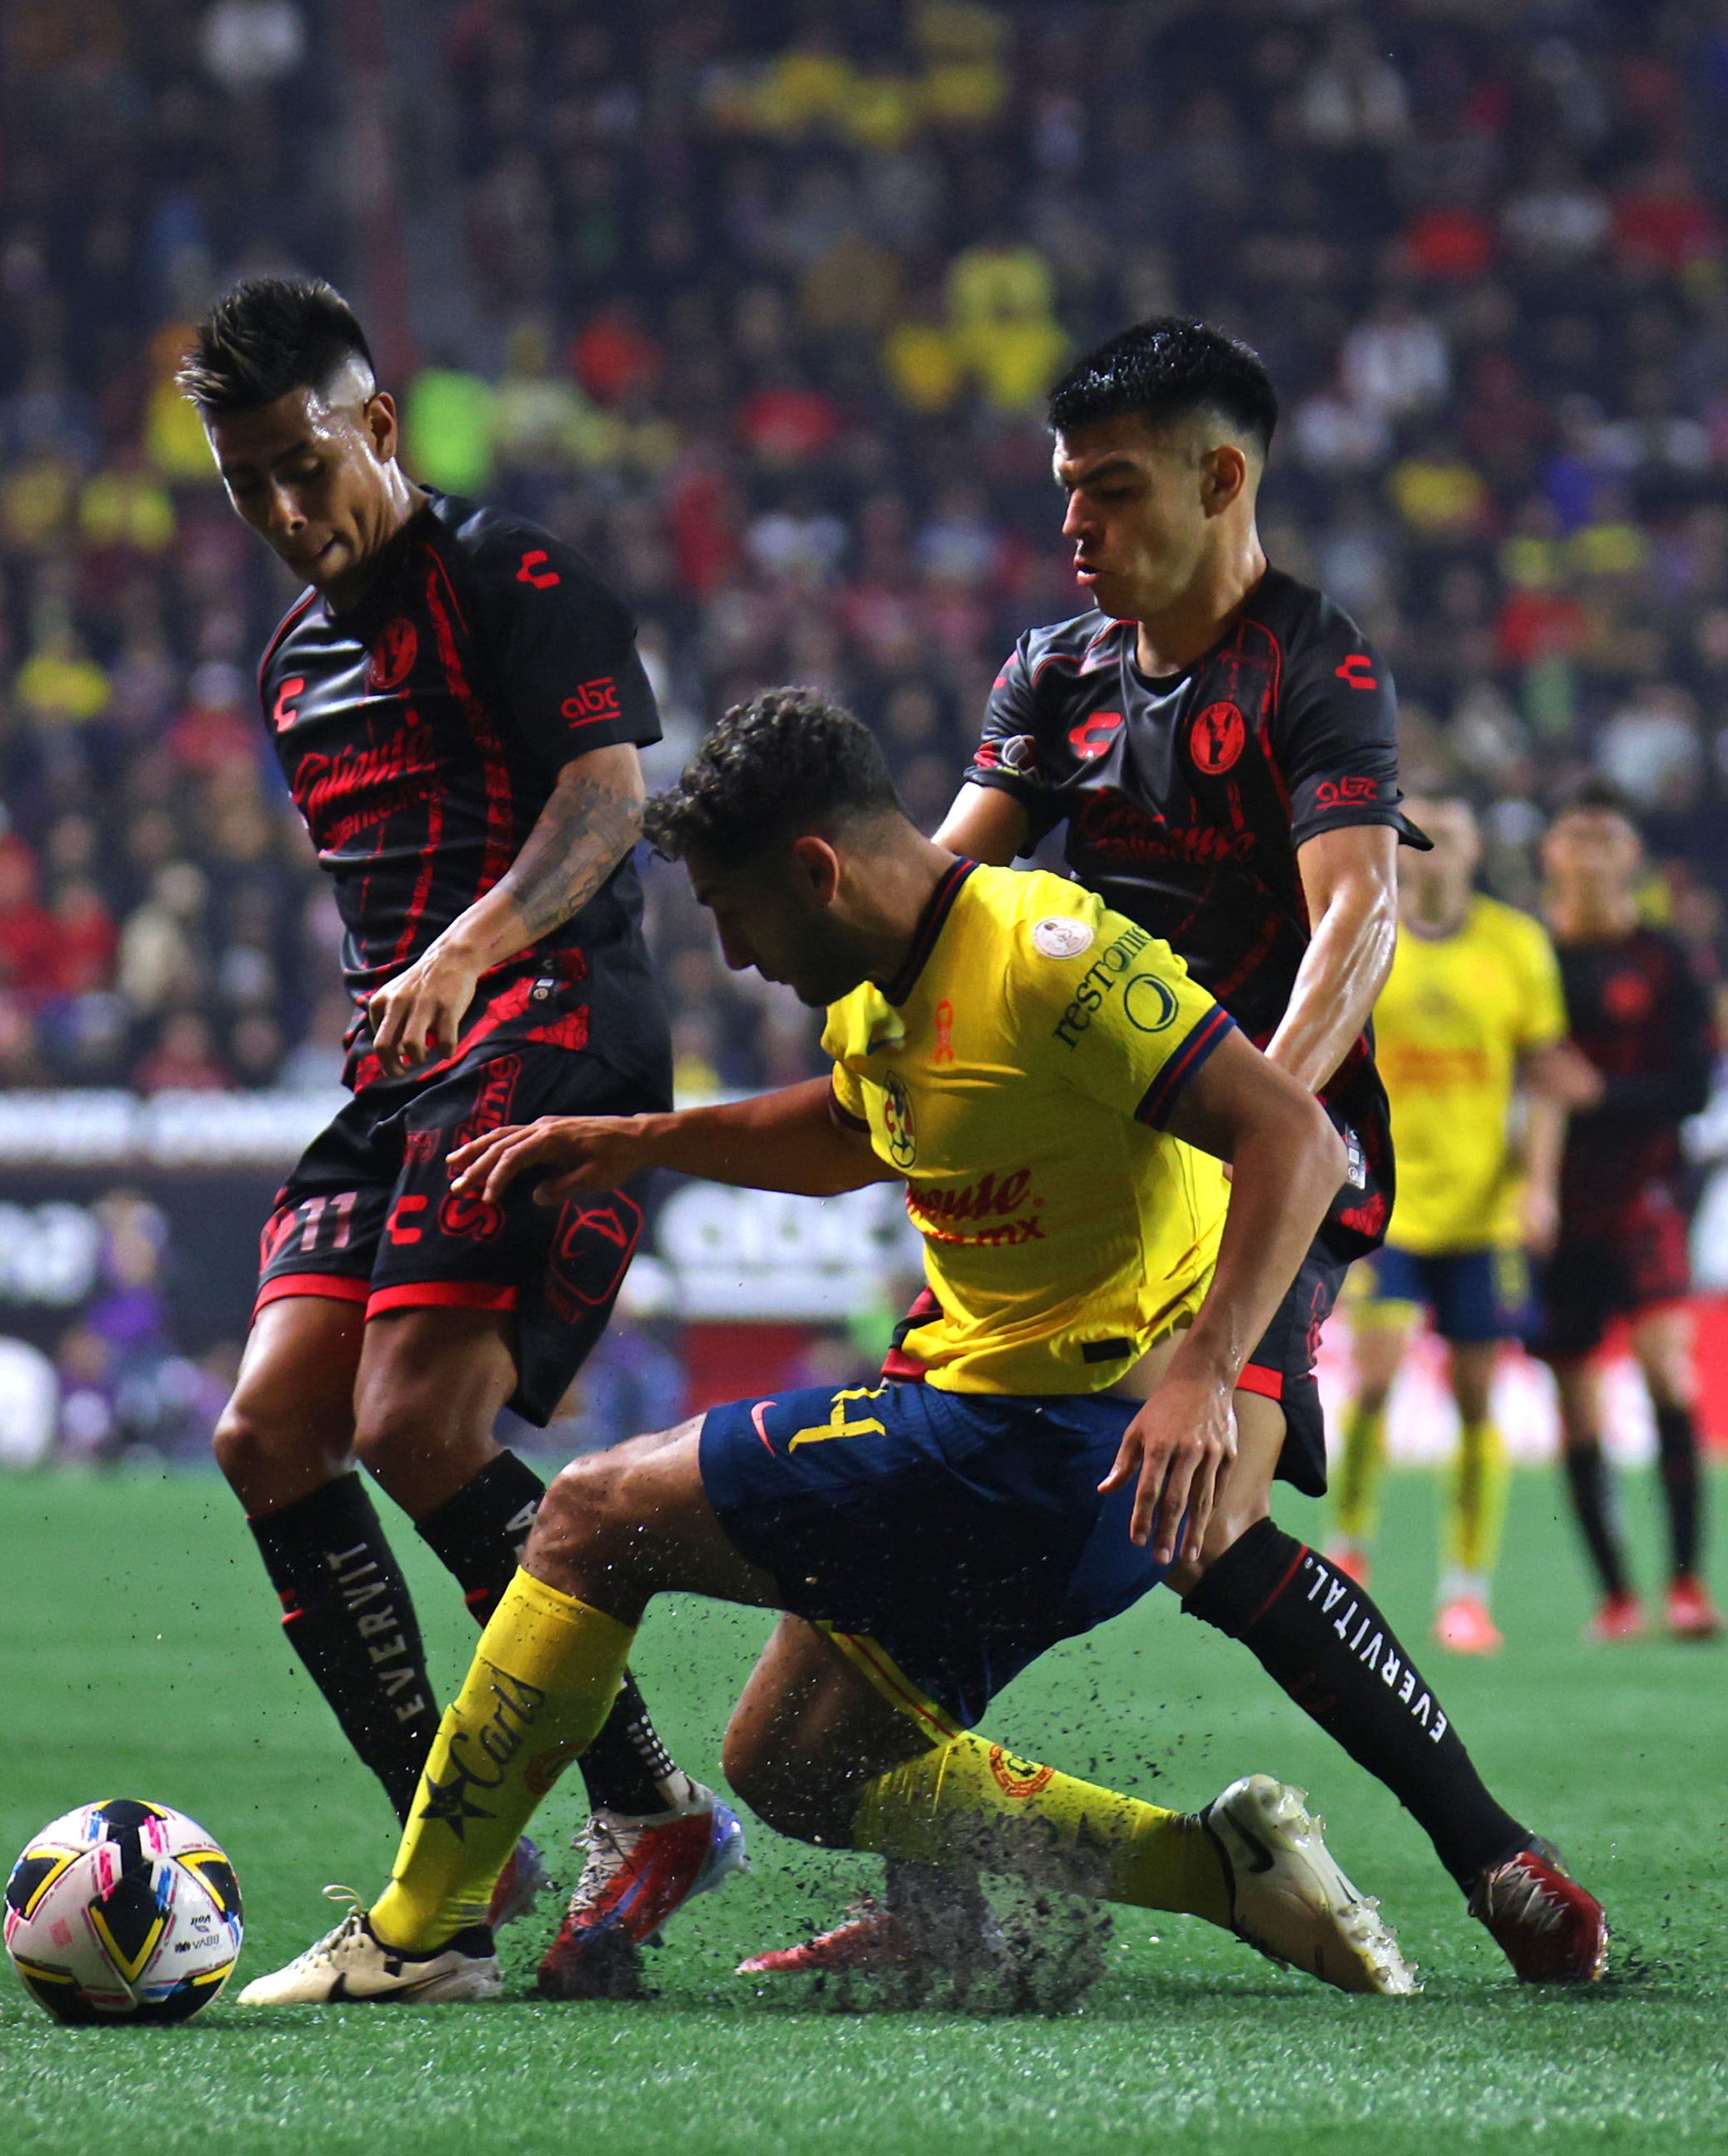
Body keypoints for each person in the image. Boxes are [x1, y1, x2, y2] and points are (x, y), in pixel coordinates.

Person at [243, 688, 1436, 2006]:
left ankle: (420, 1933)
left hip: (1050, 1440)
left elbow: (1296, 1140)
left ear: (812, 869)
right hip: (1043, 1470)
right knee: (797, 1766)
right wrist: (634, 1141)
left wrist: (1209, 1374)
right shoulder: (881, 996)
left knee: (587, 1514)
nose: (739, 956)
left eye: (734, 912)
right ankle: (1218, 1869)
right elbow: (853, 1133)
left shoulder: (1047, 953)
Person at [769, 317, 1600, 1983]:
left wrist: (1264, 1139)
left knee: (1200, 1513)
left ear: (1222, 480)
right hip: (1081, 1167)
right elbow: (936, 900)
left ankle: (1497, 1856)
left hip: (1253, 1155)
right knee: (958, 1504)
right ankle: (941, 1896)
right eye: (1064, 492)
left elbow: (1354, 913)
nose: (1073, 527)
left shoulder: (1313, 666)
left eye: (1110, 491)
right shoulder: (1054, 673)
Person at [178, 277, 732, 1998]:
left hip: (556, 1020)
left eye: (302, 461)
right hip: (402, 1070)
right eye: (242, 482)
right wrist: (413, 983)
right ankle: (499, 1871)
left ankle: (579, 1835)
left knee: (416, 1413)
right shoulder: (290, 666)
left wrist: (463, 953)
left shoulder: (515, 579)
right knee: (271, 1432)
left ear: (380, 429)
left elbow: (607, 802)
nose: (282, 509)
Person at [1333, 789, 1593, 1654]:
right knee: (1378, 1368)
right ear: (1398, 848)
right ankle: (1351, 1549)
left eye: (1452, 834)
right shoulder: (1363, 936)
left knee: (1479, 1395)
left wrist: (1540, 1185)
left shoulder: (1516, 945)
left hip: (1484, 1209)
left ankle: (1466, 1591)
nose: (1436, 850)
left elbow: (1546, 1079)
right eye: (1423, 836)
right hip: (1390, 1201)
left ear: (1476, 848)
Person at [1535, 780, 1722, 1643]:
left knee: (1668, 1376)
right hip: (1553, 1211)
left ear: (1630, 857)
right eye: (1577, 835)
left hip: (1641, 1197)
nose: (1591, 851)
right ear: (1554, 854)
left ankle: (1686, 1583)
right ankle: (1614, 1594)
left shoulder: (1667, 962)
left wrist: (1601, 1092)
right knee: (1575, 1406)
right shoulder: (1527, 959)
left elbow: (1694, 1087)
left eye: (1607, 836)